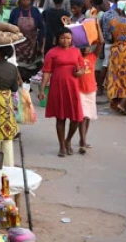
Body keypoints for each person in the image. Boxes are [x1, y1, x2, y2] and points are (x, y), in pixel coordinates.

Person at [39, 28, 84, 157]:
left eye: (68, 38)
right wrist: (42, 89)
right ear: (58, 39)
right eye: (63, 38)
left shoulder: (76, 52)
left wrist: (78, 72)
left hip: (73, 86)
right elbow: (47, 71)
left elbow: (82, 70)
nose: (66, 40)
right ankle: (62, 146)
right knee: (61, 117)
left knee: (76, 118)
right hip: (57, 87)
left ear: (72, 39)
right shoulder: (52, 52)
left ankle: (68, 140)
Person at [78, 24, 103, 154]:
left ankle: (83, 139)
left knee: (87, 117)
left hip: (91, 89)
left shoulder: (92, 57)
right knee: (82, 116)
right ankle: (82, 141)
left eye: (88, 46)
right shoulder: (77, 58)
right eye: (84, 46)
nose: (87, 49)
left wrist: (97, 26)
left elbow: (101, 41)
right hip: (79, 90)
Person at [9, 0, 45, 64]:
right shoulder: (15, 11)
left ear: (31, 0)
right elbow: (9, 26)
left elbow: (42, 27)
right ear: (20, 0)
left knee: (31, 64)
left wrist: (41, 44)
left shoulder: (35, 11)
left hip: (32, 43)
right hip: (18, 42)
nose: (25, 1)